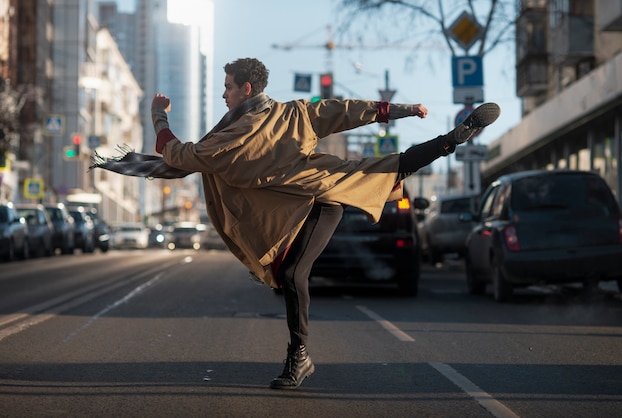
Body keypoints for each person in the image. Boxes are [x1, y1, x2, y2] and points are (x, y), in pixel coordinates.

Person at [124, 57, 499, 390]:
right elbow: (345, 111)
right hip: (316, 191)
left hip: (320, 199)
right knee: (386, 168)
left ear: (246, 89)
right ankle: (450, 140)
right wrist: (401, 109)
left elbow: (178, 154)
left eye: (227, 87)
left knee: (291, 274)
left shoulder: (228, 138)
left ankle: (299, 356)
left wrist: (160, 115)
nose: (224, 95)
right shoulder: (295, 112)